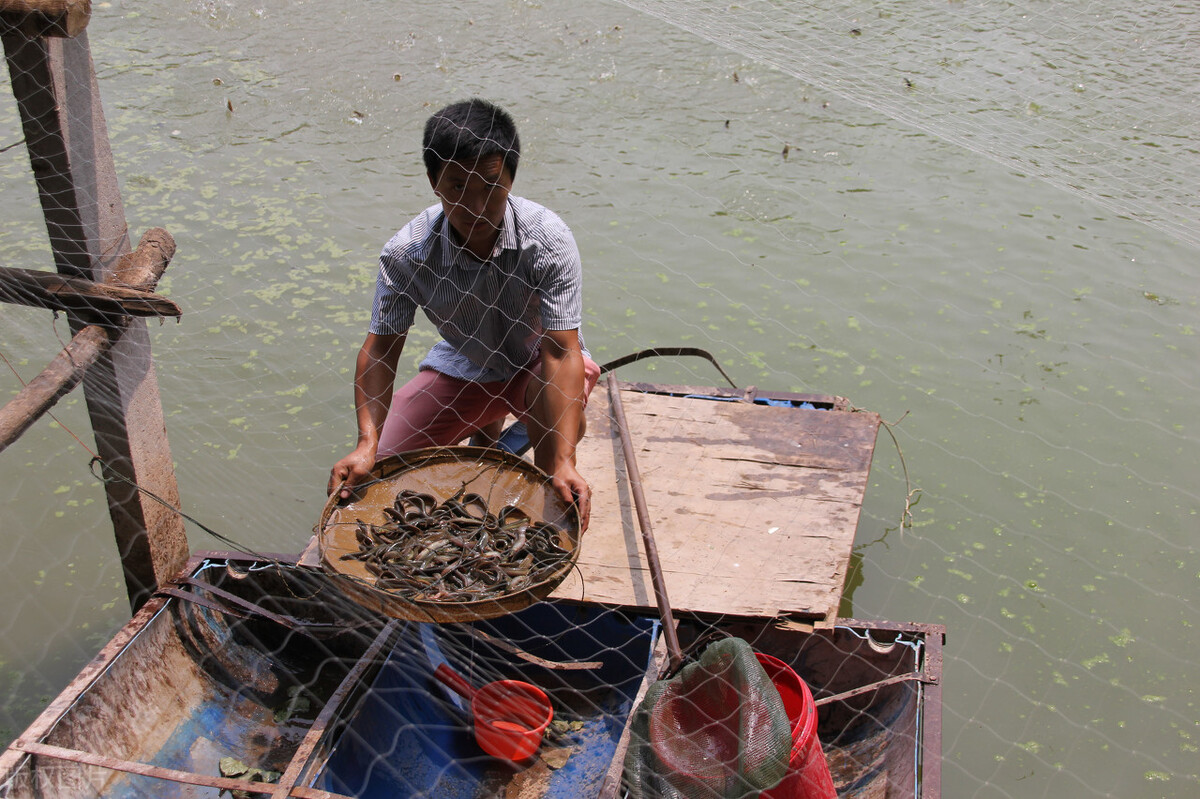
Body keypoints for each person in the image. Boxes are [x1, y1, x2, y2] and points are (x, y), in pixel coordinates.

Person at [328, 98, 600, 530]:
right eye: (457, 187)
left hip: (536, 363)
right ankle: (487, 423)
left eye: (490, 187)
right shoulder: (406, 254)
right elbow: (380, 350)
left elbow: (560, 350)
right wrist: (365, 443)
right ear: (434, 182)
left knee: (552, 475)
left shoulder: (548, 239)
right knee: (382, 467)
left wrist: (565, 462)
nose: (475, 207)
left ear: (511, 178)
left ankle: (540, 460)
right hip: (467, 359)